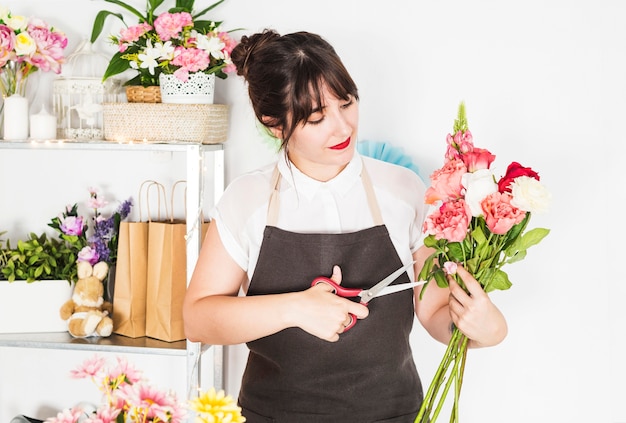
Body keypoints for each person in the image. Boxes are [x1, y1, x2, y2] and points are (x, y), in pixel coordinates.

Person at [183, 29, 507, 423]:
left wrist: (483, 330)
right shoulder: (246, 198)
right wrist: (297, 308)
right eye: (317, 117)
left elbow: (435, 311)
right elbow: (198, 319)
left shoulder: (404, 190)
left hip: (391, 414)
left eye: (347, 102)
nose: (342, 127)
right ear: (275, 124)